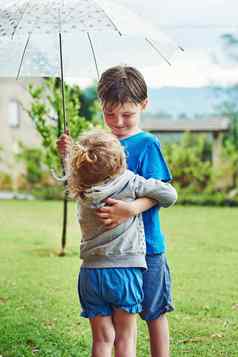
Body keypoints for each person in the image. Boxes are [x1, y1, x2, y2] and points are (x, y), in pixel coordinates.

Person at [57, 65, 175, 357]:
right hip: (113, 253)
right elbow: (79, 185)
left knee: (154, 310)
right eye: (110, 114)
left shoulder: (147, 144)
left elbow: (161, 190)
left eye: (127, 114)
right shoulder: (96, 146)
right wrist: (67, 156)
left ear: (143, 105)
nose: (118, 122)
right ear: (101, 107)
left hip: (148, 246)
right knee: (120, 326)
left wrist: (130, 209)